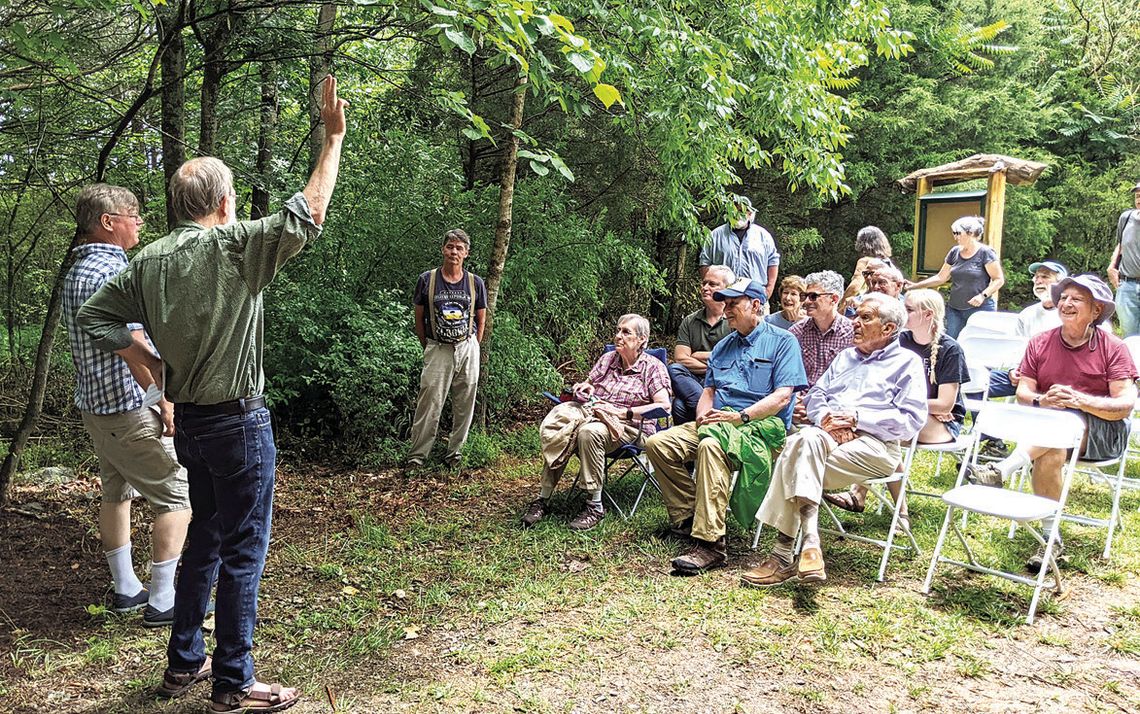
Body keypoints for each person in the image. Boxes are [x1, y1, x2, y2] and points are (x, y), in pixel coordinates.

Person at [78, 74, 348, 711]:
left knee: (205, 540)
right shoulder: (232, 248)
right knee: (243, 549)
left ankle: (182, 665)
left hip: (190, 426)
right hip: (235, 423)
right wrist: (332, 139)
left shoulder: (146, 262)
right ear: (224, 204)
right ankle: (232, 679)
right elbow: (309, 209)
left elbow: (93, 315)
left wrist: (147, 358)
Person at [62, 184, 190, 627]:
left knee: (116, 491)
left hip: (96, 406)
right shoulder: (110, 272)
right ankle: (162, 600)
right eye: (132, 214)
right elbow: (131, 344)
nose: (139, 222)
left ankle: (126, 588)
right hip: (127, 405)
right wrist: (162, 397)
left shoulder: (78, 269)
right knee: (177, 496)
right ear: (108, 222)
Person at [741, 294, 927, 587]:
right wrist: (827, 417)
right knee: (807, 441)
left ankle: (781, 554)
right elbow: (816, 395)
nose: (855, 322)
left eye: (866, 317)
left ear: (889, 329)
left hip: (876, 446)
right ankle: (810, 544)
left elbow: (911, 421)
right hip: (826, 437)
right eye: (856, 315)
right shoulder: (846, 357)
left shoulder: (907, 363)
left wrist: (856, 419)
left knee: (795, 454)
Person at [966, 275, 1137, 571]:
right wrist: (1042, 401)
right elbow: (1023, 392)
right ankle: (1050, 539)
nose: (1065, 303)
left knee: (1061, 427)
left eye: (1076, 299)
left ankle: (1001, 469)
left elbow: (1123, 405)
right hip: (1047, 429)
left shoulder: (1113, 347)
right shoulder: (1041, 342)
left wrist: (1080, 401)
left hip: (1103, 430)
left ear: (1096, 310)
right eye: (1063, 297)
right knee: (1053, 447)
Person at [645, 278, 807, 574]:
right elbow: (709, 391)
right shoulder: (722, 347)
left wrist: (742, 417)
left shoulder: (784, 342)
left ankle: (711, 545)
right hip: (720, 422)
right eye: (726, 303)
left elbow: (783, 396)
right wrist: (703, 416)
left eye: (734, 304)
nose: (727, 309)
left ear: (755, 305)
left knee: (710, 446)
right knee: (657, 444)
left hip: (760, 428)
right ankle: (688, 517)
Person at [824, 289, 969, 522]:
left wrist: (904, 407)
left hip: (942, 423)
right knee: (884, 428)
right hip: (904, 412)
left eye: (909, 309)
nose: (903, 312)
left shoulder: (950, 349)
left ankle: (894, 508)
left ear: (928, 314)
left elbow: (945, 404)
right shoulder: (900, 341)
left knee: (889, 430)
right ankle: (872, 500)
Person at [522, 314, 671, 531]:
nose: (618, 336)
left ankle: (595, 505)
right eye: (618, 330)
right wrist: (585, 389)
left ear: (642, 339)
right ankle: (542, 498)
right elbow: (589, 383)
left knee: (589, 432)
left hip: (631, 428)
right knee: (563, 424)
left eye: (626, 332)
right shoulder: (608, 359)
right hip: (593, 413)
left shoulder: (653, 367)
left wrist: (624, 413)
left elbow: (664, 407)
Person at [969, 260, 1069, 457]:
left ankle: (1043, 448)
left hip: (1055, 381)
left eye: (1045, 277)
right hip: (1022, 376)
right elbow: (1017, 349)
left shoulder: (1069, 313)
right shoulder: (1028, 314)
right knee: (972, 380)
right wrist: (1015, 369)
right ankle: (993, 440)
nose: (1038, 281)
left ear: (1061, 283)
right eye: (1036, 277)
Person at [407, 228, 487, 468]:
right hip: (438, 348)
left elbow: (481, 319)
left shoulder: (475, 283)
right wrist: (428, 345)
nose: (454, 251)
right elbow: (419, 318)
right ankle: (417, 456)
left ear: (467, 253)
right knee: (429, 401)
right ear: (443, 249)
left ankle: (455, 454)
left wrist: (473, 344)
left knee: (465, 402)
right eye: (450, 246)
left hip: (467, 347)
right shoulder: (427, 280)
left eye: (459, 248)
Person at [906, 216, 1005, 338]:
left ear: (971, 233)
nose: (955, 237)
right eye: (954, 233)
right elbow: (941, 277)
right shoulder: (954, 252)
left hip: (980, 308)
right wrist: (915, 286)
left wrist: (982, 296)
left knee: (979, 342)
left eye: (958, 233)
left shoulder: (986, 253)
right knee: (950, 341)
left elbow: (998, 279)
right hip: (955, 308)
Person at [669, 265, 735, 424]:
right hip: (692, 380)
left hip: (722, 381)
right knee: (673, 369)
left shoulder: (733, 320)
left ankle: (699, 424)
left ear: (726, 289)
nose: (705, 288)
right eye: (704, 283)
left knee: (679, 405)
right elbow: (680, 359)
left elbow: (734, 360)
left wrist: (697, 355)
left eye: (712, 284)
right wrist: (717, 361)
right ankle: (707, 412)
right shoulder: (690, 321)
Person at [789, 270, 854, 425]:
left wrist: (819, 409)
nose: (806, 302)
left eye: (813, 296)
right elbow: (785, 375)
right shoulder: (796, 332)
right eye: (805, 296)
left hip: (837, 408)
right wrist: (794, 402)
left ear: (834, 299)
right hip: (798, 406)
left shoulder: (852, 334)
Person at [698, 196, 779, 297]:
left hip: (755, 296)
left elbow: (773, 262)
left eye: (741, 211)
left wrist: (769, 290)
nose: (736, 214)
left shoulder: (763, 236)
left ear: (750, 214)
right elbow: (704, 263)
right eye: (733, 210)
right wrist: (711, 289)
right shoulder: (715, 235)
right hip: (724, 296)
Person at [1107, 182, 1140, 336]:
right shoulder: (1126, 218)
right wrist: (1112, 267)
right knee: (1130, 338)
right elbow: (1120, 245)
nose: (1139, 198)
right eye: (1137, 195)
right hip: (1127, 286)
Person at [841, 226, 893, 309]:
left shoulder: (865, 261)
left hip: (867, 304)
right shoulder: (888, 262)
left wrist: (841, 305)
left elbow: (855, 287)